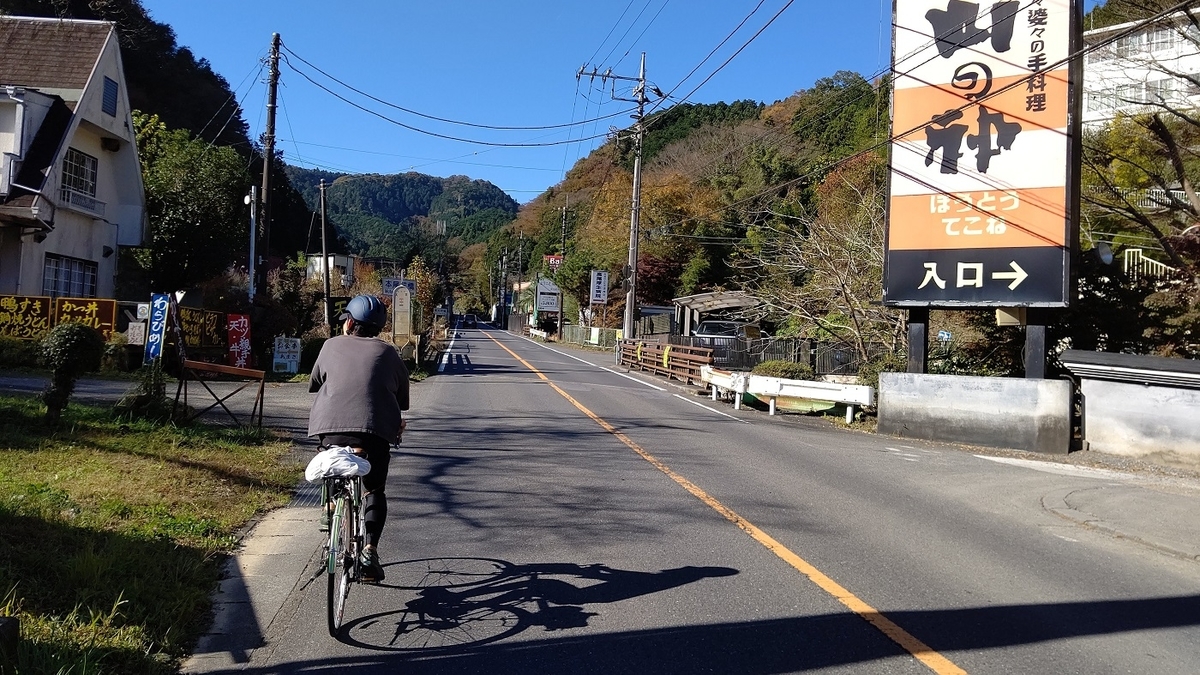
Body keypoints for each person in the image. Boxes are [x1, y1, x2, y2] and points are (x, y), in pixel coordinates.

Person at [308, 294, 409, 583]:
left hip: (330, 427)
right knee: (374, 490)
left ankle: (330, 509)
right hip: (375, 431)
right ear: (379, 327)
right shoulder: (388, 353)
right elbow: (402, 398)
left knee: (331, 462)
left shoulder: (329, 346)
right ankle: (369, 551)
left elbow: (315, 383)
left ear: (349, 322)